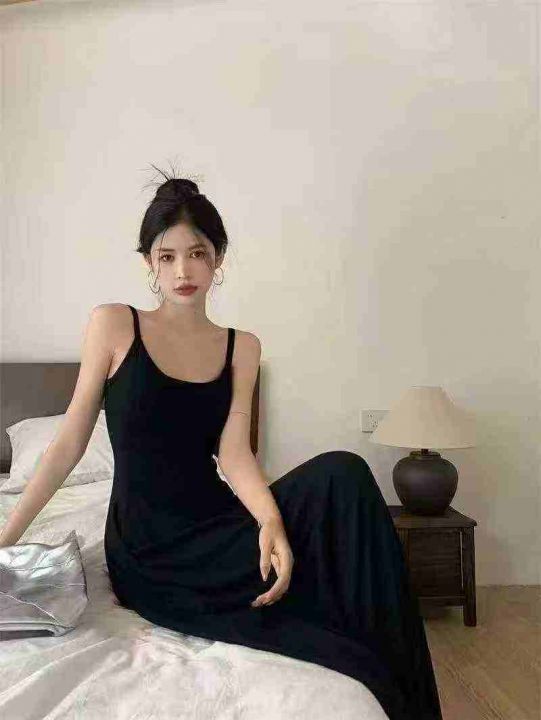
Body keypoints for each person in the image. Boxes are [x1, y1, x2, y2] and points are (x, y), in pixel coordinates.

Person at [0, 167, 443, 720]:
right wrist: (6, 539)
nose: (183, 271)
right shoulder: (114, 325)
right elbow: (68, 444)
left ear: (218, 258)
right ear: (148, 262)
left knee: (345, 473)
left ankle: (409, 691)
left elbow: (234, 454)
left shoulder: (242, 347)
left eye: (197, 254)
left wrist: (269, 519)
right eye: (167, 256)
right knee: (328, 590)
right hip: (149, 550)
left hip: (216, 522)